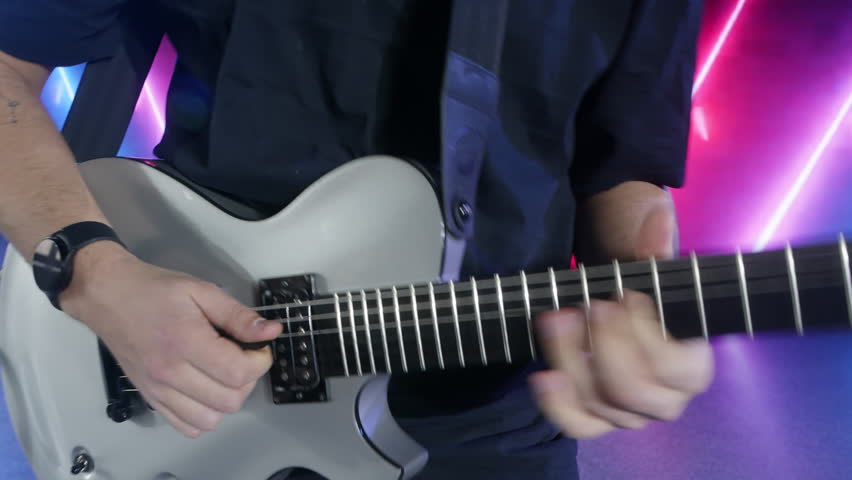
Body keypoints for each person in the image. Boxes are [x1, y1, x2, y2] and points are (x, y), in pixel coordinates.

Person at [0, 1, 713, 478]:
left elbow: (626, 174)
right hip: (209, 390)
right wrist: (95, 275)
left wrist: (646, 308)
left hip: (493, 414)